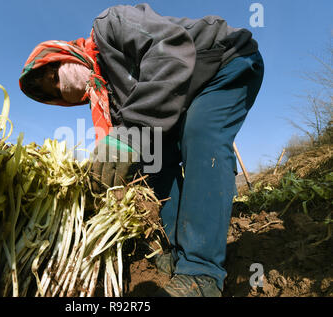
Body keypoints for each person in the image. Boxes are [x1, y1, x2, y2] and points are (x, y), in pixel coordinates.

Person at [19, 3, 264, 297]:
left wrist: (131, 133)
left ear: (63, 54)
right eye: (55, 94)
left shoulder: (111, 24)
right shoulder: (108, 97)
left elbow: (170, 49)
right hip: (181, 96)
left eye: (55, 77)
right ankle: (174, 250)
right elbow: (137, 136)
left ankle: (201, 271)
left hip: (222, 62)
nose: (63, 89)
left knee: (200, 135)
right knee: (154, 162)